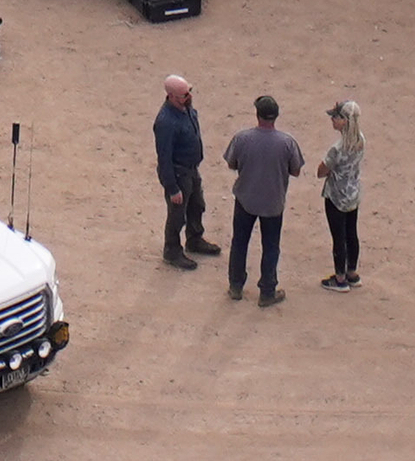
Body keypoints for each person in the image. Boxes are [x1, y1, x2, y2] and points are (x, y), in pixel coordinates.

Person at [222, 94, 307, 306]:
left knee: (240, 242)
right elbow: (296, 170)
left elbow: (231, 164)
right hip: (273, 202)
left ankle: (235, 286)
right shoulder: (287, 142)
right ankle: (267, 291)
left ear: (257, 115)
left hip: (245, 199)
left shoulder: (242, 138)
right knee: (271, 247)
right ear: (276, 117)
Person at [154, 76, 214, 270]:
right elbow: (164, 158)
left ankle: (194, 239)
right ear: (170, 96)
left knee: (197, 205)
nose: (188, 96)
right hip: (179, 174)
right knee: (177, 215)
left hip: (191, 170)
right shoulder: (166, 122)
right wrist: (172, 188)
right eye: (183, 95)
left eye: (188, 92)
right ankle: (172, 250)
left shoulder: (186, 109)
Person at [316, 99, 364, 292]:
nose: (333, 120)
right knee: (352, 233)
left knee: (339, 236)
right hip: (353, 193)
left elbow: (321, 171)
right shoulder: (361, 140)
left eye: (336, 117)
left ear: (345, 120)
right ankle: (352, 272)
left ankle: (340, 278)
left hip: (336, 195)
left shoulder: (337, 148)